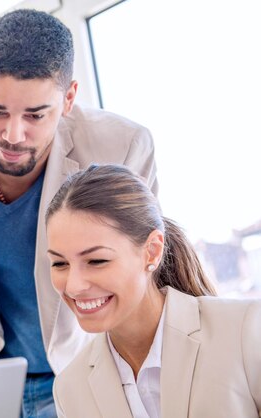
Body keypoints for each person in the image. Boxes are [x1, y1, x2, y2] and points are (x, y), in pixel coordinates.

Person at [0, 8, 157, 417]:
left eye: (35, 115)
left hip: (83, 371)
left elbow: (144, 274)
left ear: (69, 98)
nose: (12, 135)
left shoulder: (123, 147)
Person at [46, 164, 261, 418]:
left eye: (97, 261)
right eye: (60, 264)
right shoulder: (70, 389)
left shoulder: (245, 332)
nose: (74, 286)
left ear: (152, 251)